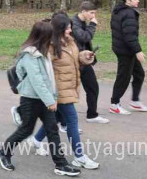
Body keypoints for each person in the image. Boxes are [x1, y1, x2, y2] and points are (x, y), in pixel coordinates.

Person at [0, 20, 81, 176]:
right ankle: (3, 153)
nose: (52, 39)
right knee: (26, 130)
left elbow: (49, 78)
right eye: (50, 36)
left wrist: (52, 97)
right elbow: (37, 81)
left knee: (52, 130)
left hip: (45, 99)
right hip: (30, 99)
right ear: (42, 37)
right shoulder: (30, 55)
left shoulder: (44, 52)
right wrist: (50, 101)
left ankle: (60, 165)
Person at [27, 13, 100, 170]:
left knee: (57, 118)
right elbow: (44, 70)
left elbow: (72, 59)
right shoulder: (51, 47)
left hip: (70, 87)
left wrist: (84, 56)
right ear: (59, 29)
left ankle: (36, 140)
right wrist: (48, 94)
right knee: (72, 120)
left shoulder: (69, 41)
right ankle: (79, 157)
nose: (70, 30)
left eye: (70, 27)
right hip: (59, 91)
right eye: (67, 27)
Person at [109, 0, 147, 115]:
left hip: (123, 48)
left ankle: (135, 101)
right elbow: (129, 35)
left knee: (139, 74)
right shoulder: (129, 13)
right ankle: (114, 104)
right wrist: (137, 51)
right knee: (124, 77)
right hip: (125, 50)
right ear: (128, 0)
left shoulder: (119, 10)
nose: (138, 1)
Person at [70, 1, 108, 124]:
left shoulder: (81, 22)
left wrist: (88, 53)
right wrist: (92, 25)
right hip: (72, 62)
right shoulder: (74, 23)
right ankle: (22, 111)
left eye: (94, 13)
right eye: (91, 13)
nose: (93, 16)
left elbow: (83, 42)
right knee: (66, 91)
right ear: (83, 11)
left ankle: (92, 115)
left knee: (92, 87)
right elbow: (84, 37)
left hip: (82, 61)